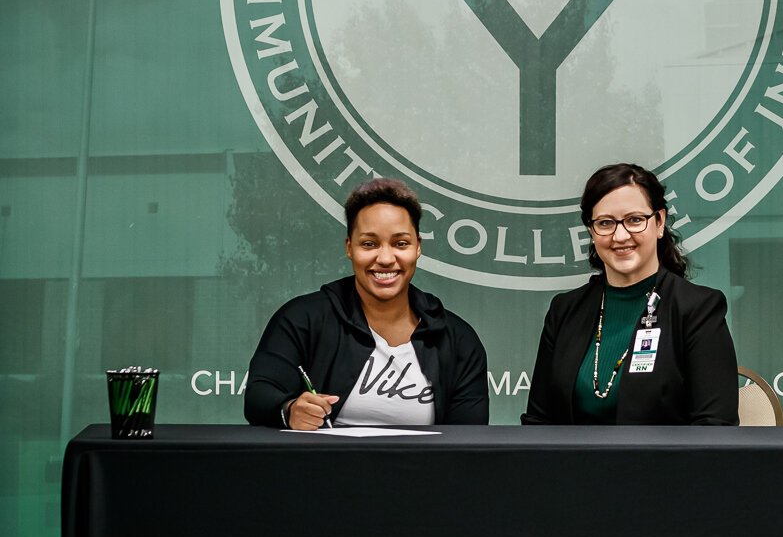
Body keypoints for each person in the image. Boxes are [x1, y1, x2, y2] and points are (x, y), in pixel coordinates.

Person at [245, 178, 488, 429]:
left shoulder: (458, 339)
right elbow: (259, 395)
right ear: (349, 247)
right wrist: (290, 409)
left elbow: (468, 438)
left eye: (400, 243)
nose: (385, 258)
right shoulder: (301, 319)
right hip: (322, 467)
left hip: (423, 468)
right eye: (369, 244)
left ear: (418, 247)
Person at [522, 163, 738, 425]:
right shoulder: (564, 310)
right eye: (605, 223)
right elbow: (538, 421)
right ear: (591, 231)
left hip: (664, 466)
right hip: (571, 466)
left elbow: (714, 427)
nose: (620, 235)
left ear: (659, 222)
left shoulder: (698, 309)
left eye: (635, 220)